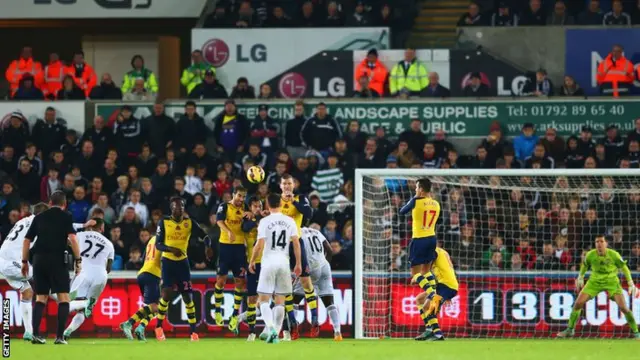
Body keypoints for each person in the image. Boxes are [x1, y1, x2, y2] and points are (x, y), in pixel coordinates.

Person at [22, 192, 81, 345]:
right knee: (63, 298)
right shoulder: (66, 216)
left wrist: (24, 261)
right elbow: (73, 239)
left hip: (39, 260)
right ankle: (59, 337)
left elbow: (27, 240)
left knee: (41, 297)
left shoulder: (39, 217)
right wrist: (78, 260)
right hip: (57, 260)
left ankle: (36, 334)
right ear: (64, 204)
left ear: (49, 203)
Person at [557, 236, 639, 338]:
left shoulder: (614, 255)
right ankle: (570, 330)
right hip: (594, 282)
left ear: (606, 243)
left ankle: (636, 333)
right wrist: (581, 276)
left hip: (612, 282)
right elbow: (585, 265)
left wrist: (630, 282)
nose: (599, 243)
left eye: (601, 241)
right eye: (597, 241)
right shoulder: (590, 255)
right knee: (578, 303)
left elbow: (624, 267)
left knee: (624, 308)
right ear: (595, 244)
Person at [153, 197, 212, 342]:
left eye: (181, 206)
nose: (179, 209)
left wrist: (208, 246)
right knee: (166, 294)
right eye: (176, 207)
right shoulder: (164, 222)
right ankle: (159, 327)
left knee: (187, 297)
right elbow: (158, 244)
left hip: (182, 263)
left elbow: (205, 236)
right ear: (171, 208)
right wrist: (172, 249)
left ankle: (193, 332)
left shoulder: (189, 223)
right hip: (168, 262)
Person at [248, 193, 302, 344]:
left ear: (267, 204)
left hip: (268, 262)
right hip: (284, 262)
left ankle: (271, 328)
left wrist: (252, 261)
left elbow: (259, 245)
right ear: (280, 202)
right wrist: (298, 264)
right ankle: (276, 332)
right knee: (280, 301)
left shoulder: (264, 221)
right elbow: (296, 244)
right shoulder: (290, 221)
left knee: (263, 299)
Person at [0, 202, 49, 341]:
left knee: (27, 292)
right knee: (45, 280)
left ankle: (28, 332)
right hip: (12, 263)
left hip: (4, 261)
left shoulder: (24, 220)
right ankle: (76, 303)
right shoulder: (38, 223)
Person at [62, 219, 114, 340]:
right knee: (82, 311)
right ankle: (67, 331)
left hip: (84, 273)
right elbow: (109, 267)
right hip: (101, 275)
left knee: (68, 304)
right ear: (102, 228)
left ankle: (85, 303)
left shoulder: (80, 235)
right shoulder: (109, 243)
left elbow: (65, 238)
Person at [279, 174, 316, 338]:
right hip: (280, 247)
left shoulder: (301, 198)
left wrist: (293, 201)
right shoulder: (274, 201)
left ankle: (315, 320)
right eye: (284, 183)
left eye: (289, 183)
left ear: (294, 185)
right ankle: (293, 324)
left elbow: (308, 214)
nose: (287, 186)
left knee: (306, 282)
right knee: (285, 285)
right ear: (280, 186)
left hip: (297, 243)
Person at [398, 179, 441, 321]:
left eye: (417, 188)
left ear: (421, 189)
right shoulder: (436, 203)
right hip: (432, 239)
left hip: (419, 240)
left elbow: (402, 211)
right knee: (426, 271)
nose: (415, 190)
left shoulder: (416, 201)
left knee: (415, 274)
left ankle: (432, 294)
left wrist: (414, 199)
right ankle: (433, 291)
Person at [293, 227, 342, 341]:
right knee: (329, 302)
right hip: (324, 265)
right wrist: (325, 266)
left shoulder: (296, 233)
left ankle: (293, 330)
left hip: (309, 267)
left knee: (293, 300)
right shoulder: (315, 231)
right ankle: (337, 332)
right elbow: (329, 250)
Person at [213, 187, 249, 329]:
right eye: (239, 196)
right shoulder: (224, 206)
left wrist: (251, 214)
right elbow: (219, 221)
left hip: (240, 249)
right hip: (225, 247)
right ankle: (217, 311)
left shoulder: (245, 208)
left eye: (243, 196)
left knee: (240, 283)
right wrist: (228, 231)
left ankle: (234, 315)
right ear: (234, 195)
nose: (241, 199)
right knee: (221, 281)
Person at [119, 233, 163, 341]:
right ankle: (129, 323)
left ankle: (140, 328)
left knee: (152, 308)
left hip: (143, 273)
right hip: (153, 274)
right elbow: (163, 259)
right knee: (158, 307)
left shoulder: (152, 239)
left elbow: (144, 258)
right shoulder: (165, 241)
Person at [412, 247, 459, 341]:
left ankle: (437, 334)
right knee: (420, 299)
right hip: (446, 285)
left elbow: (425, 271)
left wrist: (416, 277)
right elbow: (450, 270)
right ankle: (429, 330)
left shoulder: (433, 252)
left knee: (428, 307)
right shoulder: (443, 252)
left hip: (446, 285)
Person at [235, 196, 265, 340]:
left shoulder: (267, 220)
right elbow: (245, 228)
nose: (258, 208)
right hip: (252, 263)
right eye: (254, 206)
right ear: (250, 208)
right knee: (252, 299)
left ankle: (282, 330)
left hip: (267, 263)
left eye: (259, 205)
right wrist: (255, 218)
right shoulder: (247, 221)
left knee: (272, 298)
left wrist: (258, 217)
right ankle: (252, 332)